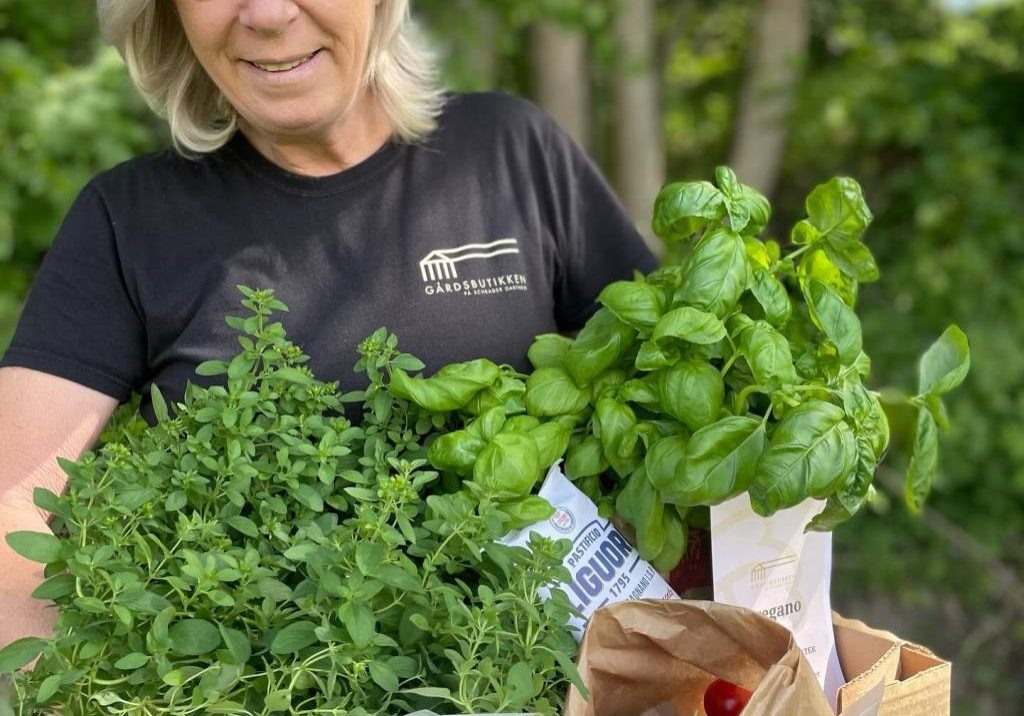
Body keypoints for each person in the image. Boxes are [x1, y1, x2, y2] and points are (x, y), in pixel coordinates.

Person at [0, 0, 657, 648]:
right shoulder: (129, 219)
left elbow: (672, 408)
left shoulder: (511, 150)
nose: (264, 13)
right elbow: (9, 514)